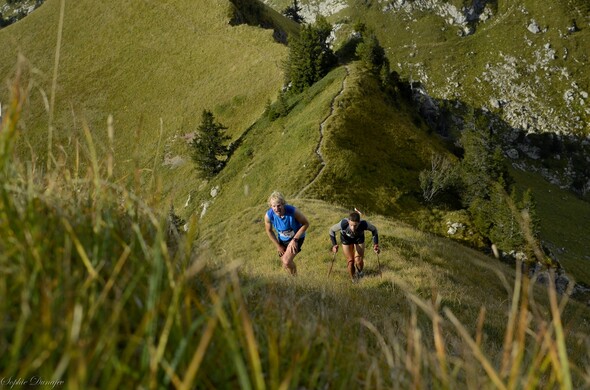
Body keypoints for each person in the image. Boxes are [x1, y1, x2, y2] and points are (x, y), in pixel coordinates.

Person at [264, 191, 309, 275]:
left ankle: (295, 279)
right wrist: (278, 246)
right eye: (274, 206)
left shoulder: (293, 211)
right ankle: (292, 281)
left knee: (286, 261)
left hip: (297, 237)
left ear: (283, 204)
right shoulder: (268, 216)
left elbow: (306, 224)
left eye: (279, 205)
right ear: (271, 206)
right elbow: (269, 231)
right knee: (285, 264)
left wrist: (295, 240)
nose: (276, 209)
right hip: (282, 239)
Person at [329, 209, 380, 282]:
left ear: (359, 223)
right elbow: (331, 230)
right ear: (348, 222)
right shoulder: (343, 224)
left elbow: (374, 230)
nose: (353, 228)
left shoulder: (364, 224)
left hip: (359, 239)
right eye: (351, 225)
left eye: (355, 225)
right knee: (350, 262)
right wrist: (334, 245)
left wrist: (375, 244)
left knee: (358, 260)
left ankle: (360, 273)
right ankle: (353, 280)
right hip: (346, 240)